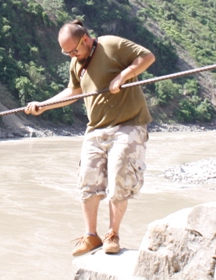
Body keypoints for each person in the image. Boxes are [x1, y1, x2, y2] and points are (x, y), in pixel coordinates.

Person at [25, 20, 156, 256]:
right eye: (66, 53)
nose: (71, 56)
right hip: (96, 128)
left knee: (119, 175)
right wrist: (43, 106)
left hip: (128, 124)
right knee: (87, 179)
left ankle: (112, 234)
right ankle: (91, 236)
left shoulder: (111, 45)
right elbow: (73, 93)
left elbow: (147, 57)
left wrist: (123, 76)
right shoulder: (77, 63)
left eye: (74, 50)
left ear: (85, 39)